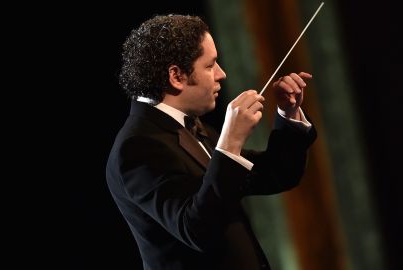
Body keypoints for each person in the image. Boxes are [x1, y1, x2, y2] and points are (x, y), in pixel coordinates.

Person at [106, 14, 317, 270]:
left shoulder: (193, 127)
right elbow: (196, 230)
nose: (222, 74)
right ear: (176, 76)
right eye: (210, 65)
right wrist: (230, 143)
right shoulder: (137, 147)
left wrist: (288, 114)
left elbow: (276, 174)